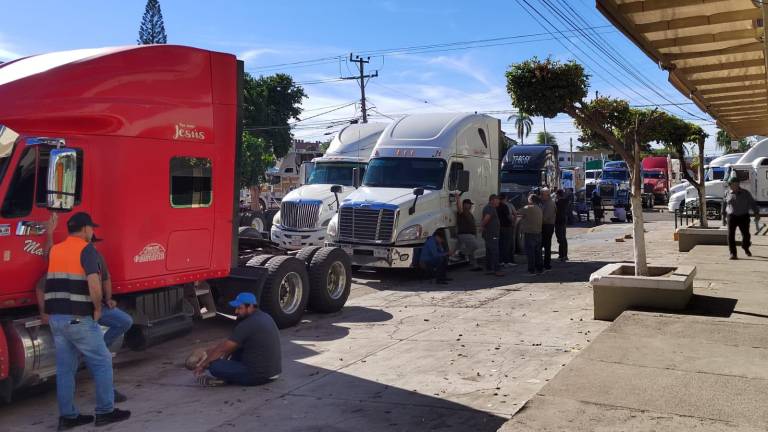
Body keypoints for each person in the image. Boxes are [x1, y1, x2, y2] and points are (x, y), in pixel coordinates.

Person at [44, 212, 130, 430]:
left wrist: (49, 234)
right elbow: (94, 282)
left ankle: (68, 418)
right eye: (91, 228)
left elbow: (47, 253)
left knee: (65, 370)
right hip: (78, 318)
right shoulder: (87, 250)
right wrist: (98, 308)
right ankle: (105, 412)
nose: (92, 232)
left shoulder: (57, 249)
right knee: (102, 363)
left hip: (56, 318)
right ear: (84, 229)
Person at [193, 292, 282, 386]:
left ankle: (227, 379)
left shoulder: (247, 324)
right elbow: (231, 347)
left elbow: (222, 349)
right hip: (273, 372)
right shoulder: (265, 317)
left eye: (240, 308)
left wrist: (204, 364)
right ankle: (229, 376)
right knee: (236, 348)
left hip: (258, 376)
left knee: (215, 366)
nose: (236, 311)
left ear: (251, 306)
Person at [722, 176, 760, 260]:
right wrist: (723, 216)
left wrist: (756, 213)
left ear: (738, 184)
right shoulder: (727, 193)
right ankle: (733, 253)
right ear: (730, 185)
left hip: (744, 216)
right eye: (732, 184)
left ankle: (745, 246)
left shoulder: (745, 193)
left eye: (736, 184)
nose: (734, 186)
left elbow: (752, 203)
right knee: (730, 235)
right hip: (731, 216)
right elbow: (724, 204)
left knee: (746, 235)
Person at [454, 193, 482, 271]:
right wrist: (458, 198)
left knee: (472, 252)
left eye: (470, 204)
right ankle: (461, 253)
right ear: (465, 204)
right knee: (474, 246)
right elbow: (459, 207)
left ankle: (475, 266)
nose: (470, 206)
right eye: (469, 204)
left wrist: (475, 234)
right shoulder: (462, 212)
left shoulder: (469, 213)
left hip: (469, 234)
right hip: (465, 234)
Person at [519, 194, 544, 275]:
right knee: (538, 252)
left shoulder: (528, 208)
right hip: (538, 232)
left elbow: (517, 212)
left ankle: (531, 270)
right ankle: (540, 269)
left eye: (528, 199)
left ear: (531, 200)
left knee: (530, 253)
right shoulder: (539, 208)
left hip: (530, 233)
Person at [481, 194, 504, 277]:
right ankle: (497, 270)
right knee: (495, 252)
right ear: (492, 200)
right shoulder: (490, 208)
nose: (499, 201)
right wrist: (482, 226)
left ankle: (489, 269)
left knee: (489, 252)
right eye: (497, 200)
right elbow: (487, 218)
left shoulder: (490, 207)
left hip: (490, 234)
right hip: (491, 234)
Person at [497, 195, 517, 267]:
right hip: (507, 227)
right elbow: (510, 216)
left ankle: (501, 261)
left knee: (501, 245)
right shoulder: (505, 206)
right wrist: (513, 223)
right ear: (505, 199)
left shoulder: (496, 206)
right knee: (508, 245)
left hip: (499, 228)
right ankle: (507, 261)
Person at [540, 188, 556, 271]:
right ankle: (545, 263)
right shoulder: (546, 202)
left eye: (542, 194)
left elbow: (545, 217)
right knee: (546, 245)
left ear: (547, 195)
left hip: (547, 226)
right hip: (547, 225)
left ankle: (546, 264)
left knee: (546, 245)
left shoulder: (549, 204)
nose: (541, 196)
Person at [555, 189, 569, 262]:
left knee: (560, 239)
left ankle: (562, 255)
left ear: (558, 195)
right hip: (563, 221)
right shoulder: (565, 202)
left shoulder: (558, 203)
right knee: (563, 239)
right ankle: (564, 255)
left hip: (558, 222)